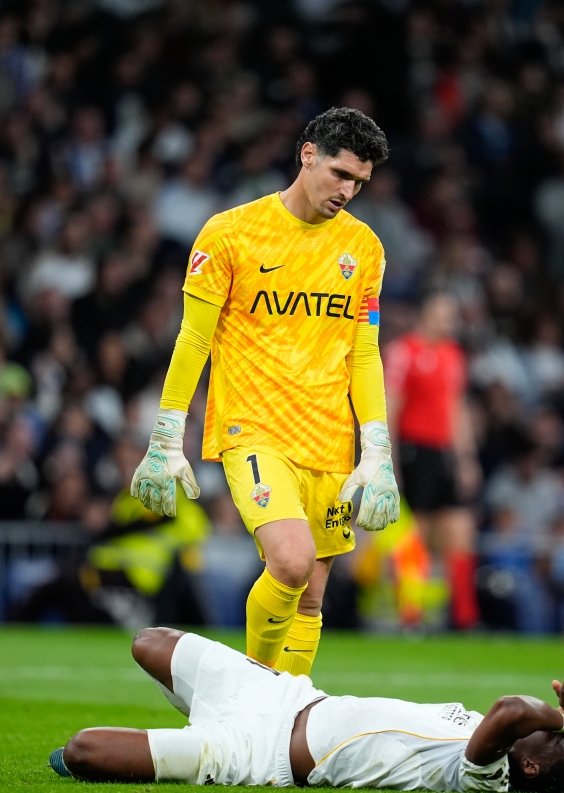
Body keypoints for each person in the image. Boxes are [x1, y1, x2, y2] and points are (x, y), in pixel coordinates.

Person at [129, 108, 400, 677]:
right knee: (292, 560)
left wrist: (377, 451)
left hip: (329, 439)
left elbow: (364, 352)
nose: (348, 191)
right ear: (307, 155)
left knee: (310, 596)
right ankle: (246, 702)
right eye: (339, 174)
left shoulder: (364, 249)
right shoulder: (230, 234)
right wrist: (165, 434)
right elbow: (193, 338)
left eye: (359, 182)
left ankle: (287, 715)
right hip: (253, 429)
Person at [48, 627, 564, 793]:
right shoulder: (511, 749)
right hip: (287, 698)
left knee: (82, 752)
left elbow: (511, 709)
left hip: (256, 754)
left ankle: (188, 743)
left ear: (531, 767)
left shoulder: (485, 775)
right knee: (149, 642)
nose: (555, 722)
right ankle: (194, 718)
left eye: (557, 738)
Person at [385, 294, 481, 629]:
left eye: (451, 316)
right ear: (425, 315)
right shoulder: (403, 352)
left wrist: (466, 458)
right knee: (415, 532)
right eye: (442, 315)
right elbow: (391, 407)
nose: (448, 322)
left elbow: (456, 409)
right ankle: (409, 613)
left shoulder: (453, 354)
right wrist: (389, 459)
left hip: (443, 453)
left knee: (460, 530)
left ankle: (465, 619)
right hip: (415, 450)